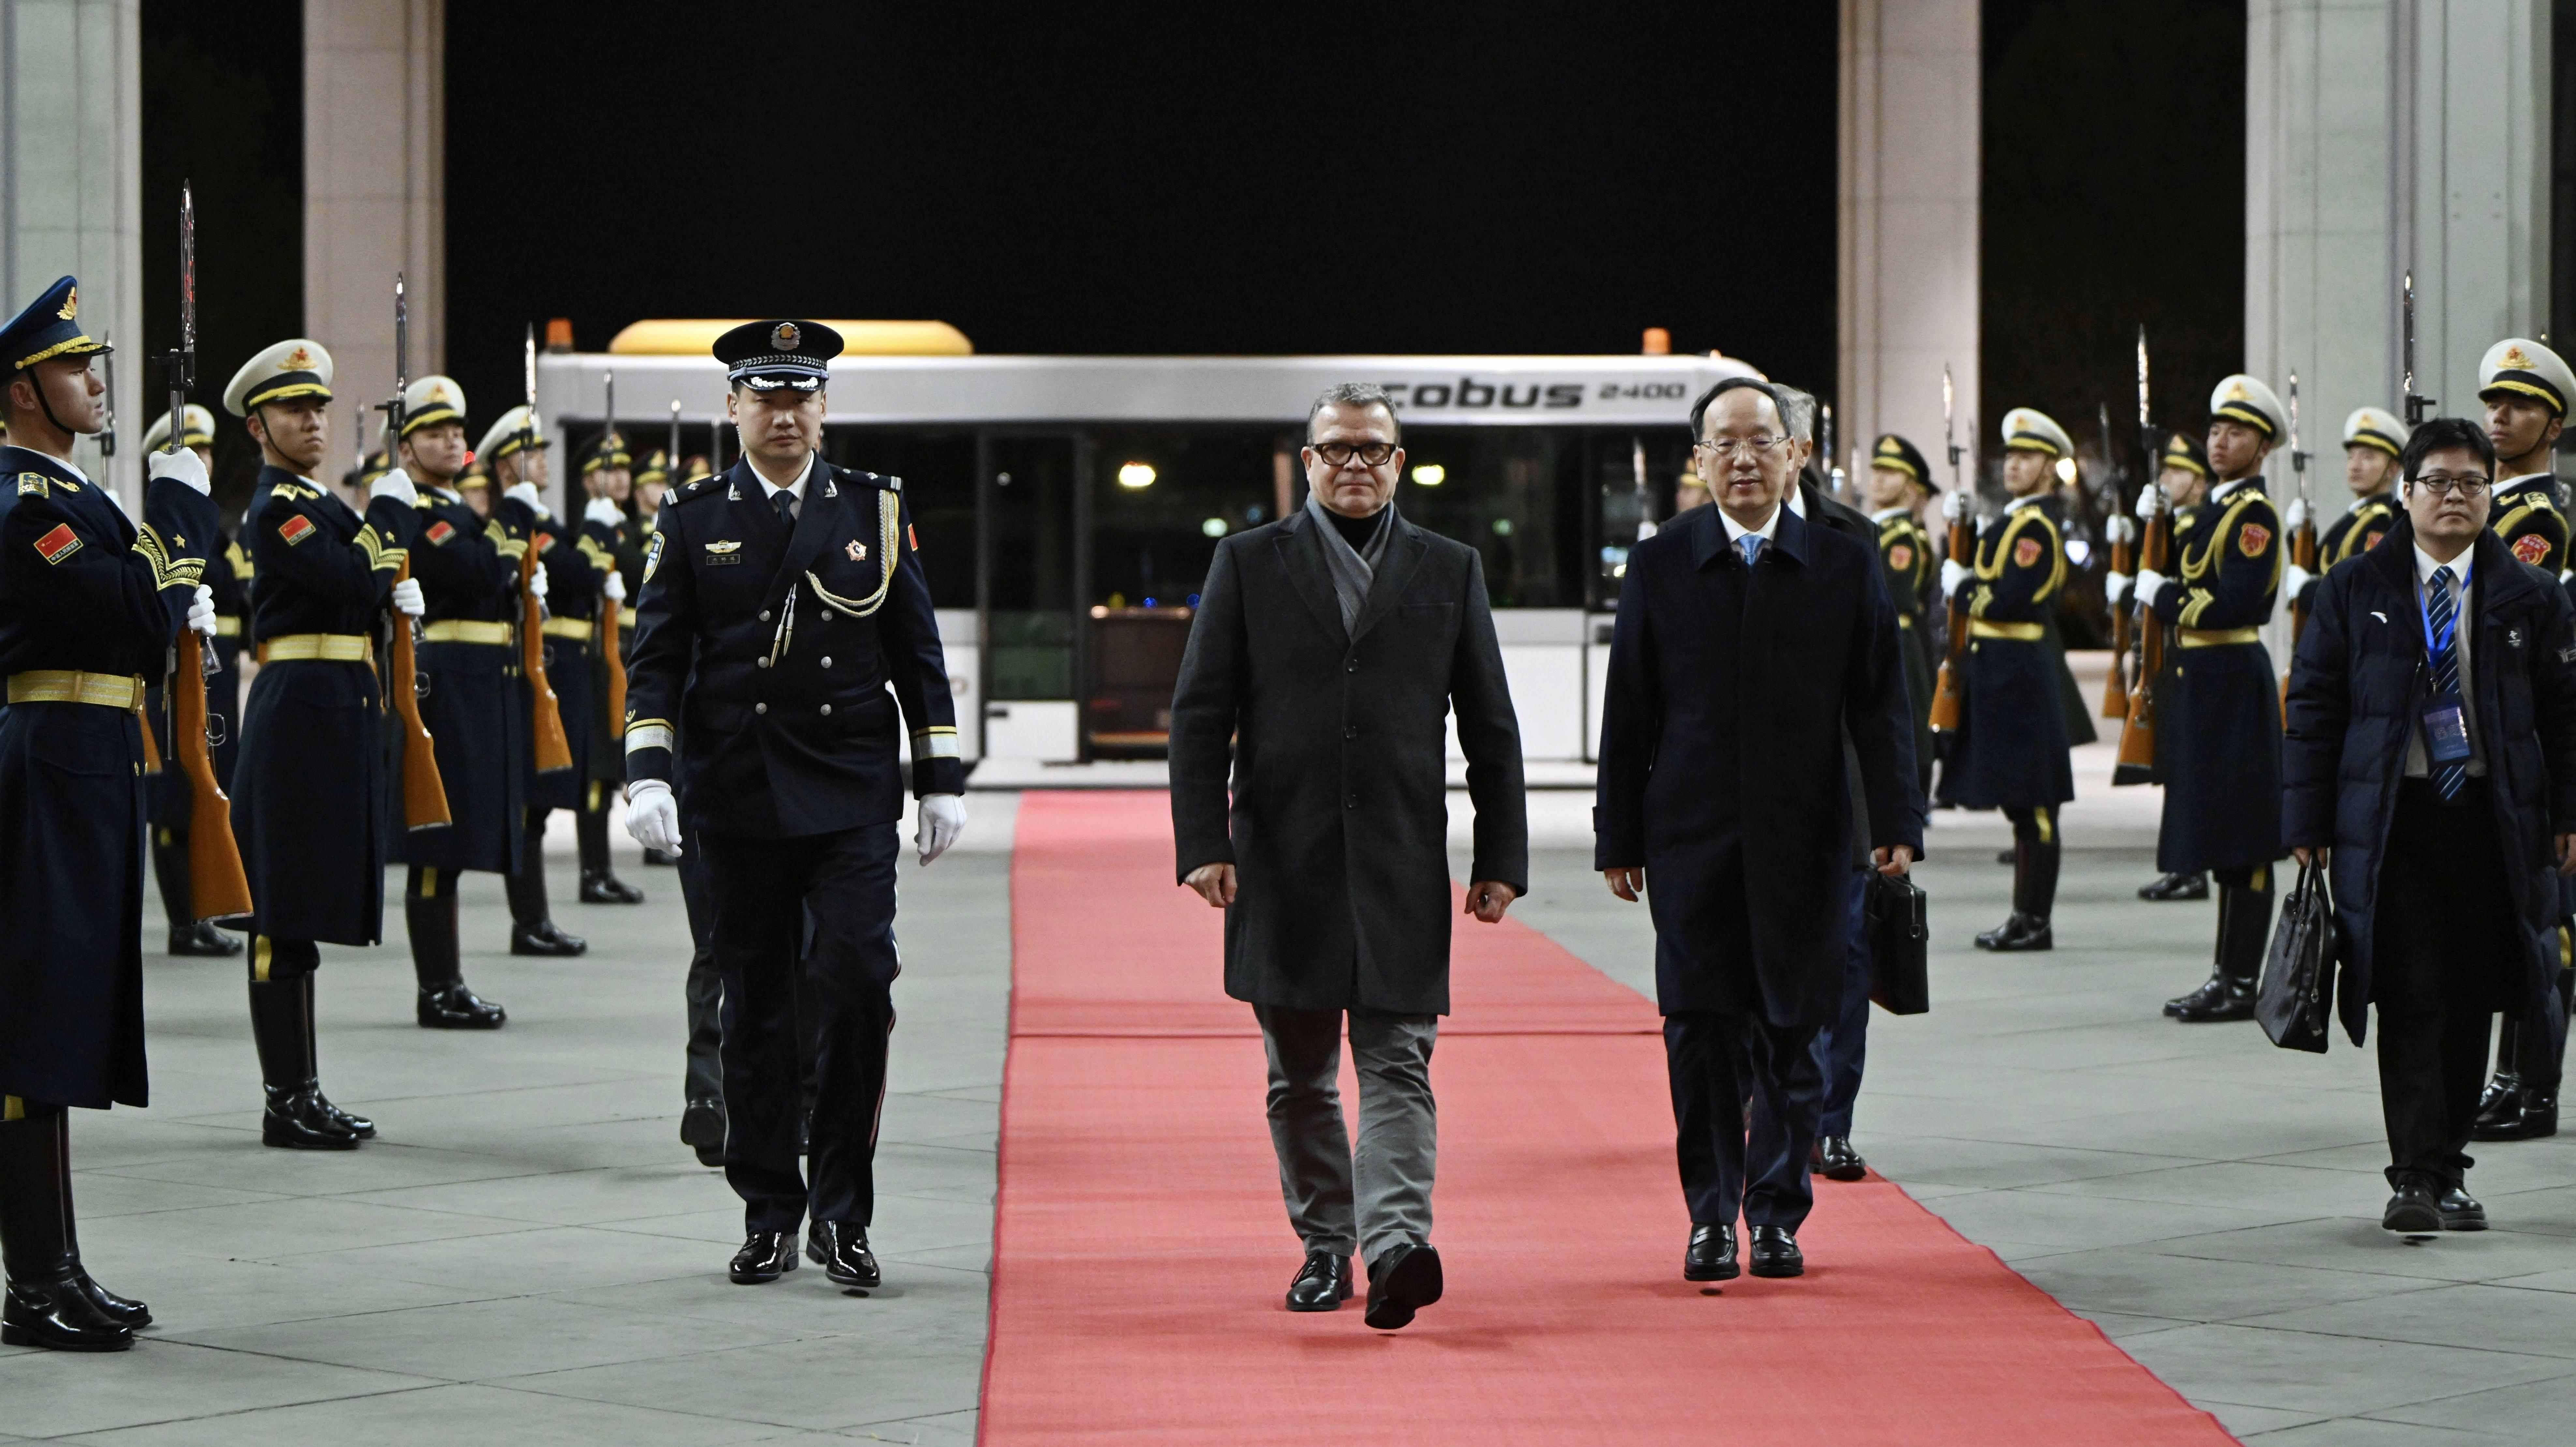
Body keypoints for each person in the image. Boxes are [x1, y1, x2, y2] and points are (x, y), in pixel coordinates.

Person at [1169, 380, 1526, 1329]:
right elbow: (1199, 715)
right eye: (1338, 449)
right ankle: (1325, 1245)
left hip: (1402, 860)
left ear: (1398, 463)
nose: (1356, 464)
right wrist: (1201, 841)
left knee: (1398, 1063)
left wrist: (1500, 854)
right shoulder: (1247, 562)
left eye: (1373, 448)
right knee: (1300, 1076)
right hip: (1278, 859)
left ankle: (1396, 1244)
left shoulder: (1448, 567)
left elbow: (1490, 726)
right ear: (1308, 462)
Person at [623, 319, 969, 1289]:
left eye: (801, 395)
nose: (784, 412)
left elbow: (917, 656)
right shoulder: (691, 517)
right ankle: (770, 1208)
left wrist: (937, 778)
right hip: (734, 792)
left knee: (858, 980)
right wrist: (649, 770)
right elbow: (655, 656)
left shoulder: (875, 507)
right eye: (765, 396)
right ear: (733, 408)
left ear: (823, 407)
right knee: (756, 1008)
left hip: (850, 787)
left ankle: (843, 1211)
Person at [1596, 377, 1920, 1284]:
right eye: (1723, 444)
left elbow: (1879, 706)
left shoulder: (1842, 563)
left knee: (1792, 1028)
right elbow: (1629, 712)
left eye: (1760, 442)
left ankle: (1776, 1213)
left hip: (1808, 838)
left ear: (1796, 454)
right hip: (1689, 842)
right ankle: (1708, 1215)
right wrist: (1616, 834)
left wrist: (1894, 819)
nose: (1742, 458)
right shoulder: (1661, 563)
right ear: (1698, 461)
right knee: (1698, 1031)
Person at [2283, 416, 2576, 1231]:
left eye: (2472, 483)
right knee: (2411, 991)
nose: (2455, 496)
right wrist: (2305, 819)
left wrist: (2568, 814)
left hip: (2495, 818)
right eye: (2438, 482)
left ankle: (2450, 1170)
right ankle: (2412, 1173)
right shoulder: (2354, 589)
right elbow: (2313, 710)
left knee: (2477, 990)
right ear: (2406, 494)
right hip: (2394, 822)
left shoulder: (2532, 595)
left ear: (2491, 494)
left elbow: (2565, 715)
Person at [0, 277, 217, 1349]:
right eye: (76, 366)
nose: (95, 382)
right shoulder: (20, 501)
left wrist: (158, 555)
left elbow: (141, 620)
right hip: (46, 761)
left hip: (86, 760)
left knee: (63, 1015)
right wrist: (177, 516)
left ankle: (59, 1265)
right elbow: (127, 607)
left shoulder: (74, 497)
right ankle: (34, 1280)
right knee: (34, 1024)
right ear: (24, 389)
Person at [226, 338, 421, 1147]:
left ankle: (303, 1090)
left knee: (300, 910)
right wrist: (393, 514)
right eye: (292, 410)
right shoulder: (280, 507)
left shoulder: (316, 502)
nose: (311, 421)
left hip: (333, 712)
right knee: (281, 913)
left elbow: (361, 586)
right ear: (258, 426)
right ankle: (285, 1098)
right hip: (299, 718)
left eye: (317, 408)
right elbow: (348, 580)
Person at [2140, 377, 2288, 1022]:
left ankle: (2240, 979)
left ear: (2262, 446)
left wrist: (2163, 594)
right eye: (2216, 430)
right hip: (2203, 683)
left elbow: (2238, 602)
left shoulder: (2253, 516)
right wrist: (2156, 528)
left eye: (2237, 433)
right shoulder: (2211, 512)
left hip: (2232, 677)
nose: (2221, 441)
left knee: (2245, 836)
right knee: (2221, 832)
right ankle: (2225, 973)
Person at [389, 381, 522, 1033]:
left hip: (476, 679)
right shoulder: (420, 511)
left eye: (455, 431)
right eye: (435, 432)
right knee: (438, 842)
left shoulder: (454, 510)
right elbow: (477, 573)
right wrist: (511, 535)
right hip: (448, 681)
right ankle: (436, 986)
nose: (451, 440)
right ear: (407, 445)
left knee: (455, 838)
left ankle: (447, 980)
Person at [2469, 339, 2576, 1143]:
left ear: (2555, 423)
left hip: (2532, 740)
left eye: (2521, 406)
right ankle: (2509, 1077)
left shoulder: (2538, 519)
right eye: (2494, 404)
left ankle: (2533, 1087)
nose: (2501, 417)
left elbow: (2499, 604)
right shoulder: (2494, 506)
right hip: (2493, 737)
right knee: (2506, 920)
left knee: (2544, 926)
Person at [1940, 409, 2080, 951]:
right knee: (2022, 806)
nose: (2013, 465)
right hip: (2004, 676)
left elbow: (2011, 597)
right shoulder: (2017, 520)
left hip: (2022, 680)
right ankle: (2023, 914)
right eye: (2011, 455)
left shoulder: (2037, 528)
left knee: (2036, 806)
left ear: (2049, 467)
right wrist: (1966, 530)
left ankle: (2034, 919)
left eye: (2026, 457)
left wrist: (1964, 587)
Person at [137, 402, 249, 957]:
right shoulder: (168, 528)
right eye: (194, 452)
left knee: (210, 787)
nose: (205, 459)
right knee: (174, 804)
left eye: (208, 451)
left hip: (218, 670)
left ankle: (202, 913)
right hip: (174, 671)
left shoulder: (218, 531)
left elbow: (239, 592)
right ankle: (184, 922)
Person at [483, 412, 587, 959]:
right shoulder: (515, 519)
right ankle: (529, 922)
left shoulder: (535, 517)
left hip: (543, 667)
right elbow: (577, 574)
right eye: (533, 451)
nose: (545, 459)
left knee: (538, 808)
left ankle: (536, 918)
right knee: (527, 806)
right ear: (507, 466)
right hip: (523, 671)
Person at [532, 431, 641, 908]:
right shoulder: (583, 527)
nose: (617, 477)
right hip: (594, 654)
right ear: (586, 479)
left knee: (607, 766)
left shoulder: (620, 527)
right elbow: (583, 574)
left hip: (613, 652)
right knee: (598, 763)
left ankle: (601, 868)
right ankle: (593, 869)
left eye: (622, 468)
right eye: (606, 469)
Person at [2117, 431, 2217, 901]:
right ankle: (2180, 863)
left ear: (2199, 484)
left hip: (2190, 655)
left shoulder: (2197, 523)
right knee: (2175, 766)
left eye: (2177, 472)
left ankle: (2192, 868)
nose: (2165, 479)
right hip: (2171, 655)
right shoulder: (2176, 523)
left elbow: (2174, 580)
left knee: (2187, 769)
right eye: (2164, 470)